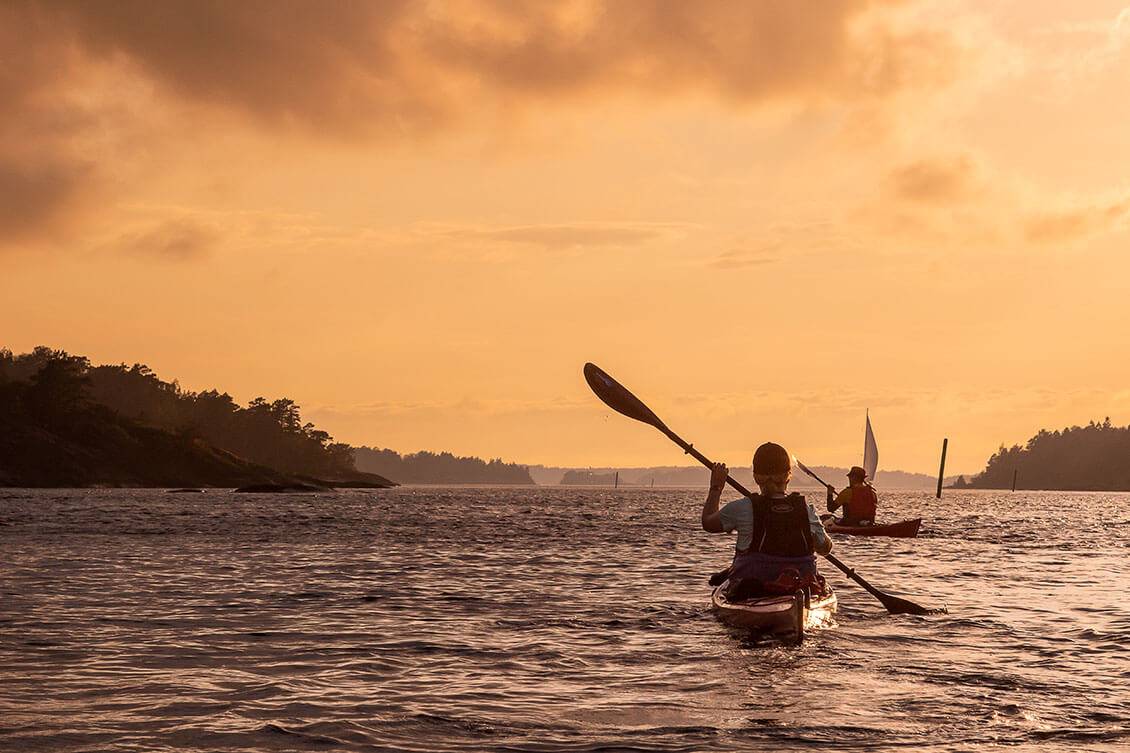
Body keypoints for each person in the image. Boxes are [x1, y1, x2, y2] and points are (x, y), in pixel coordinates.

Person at [701, 442, 831, 595]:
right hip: (799, 589)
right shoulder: (806, 511)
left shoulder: (742, 508)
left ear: (756, 477)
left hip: (753, 590)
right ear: (788, 476)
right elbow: (825, 549)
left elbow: (708, 523)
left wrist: (716, 487)